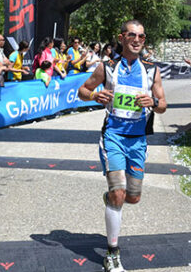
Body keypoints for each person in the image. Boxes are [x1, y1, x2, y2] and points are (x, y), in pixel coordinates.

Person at [78, 20, 167, 272]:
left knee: (133, 198)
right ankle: (112, 254)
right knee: (119, 193)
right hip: (113, 136)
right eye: (132, 35)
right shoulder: (107, 68)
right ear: (122, 38)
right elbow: (82, 90)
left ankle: (111, 198)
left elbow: (163, 105)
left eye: (141, 36)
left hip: (137, 140)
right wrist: (95, 95)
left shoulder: (151, 70)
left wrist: (153, 102)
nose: (137, 40)